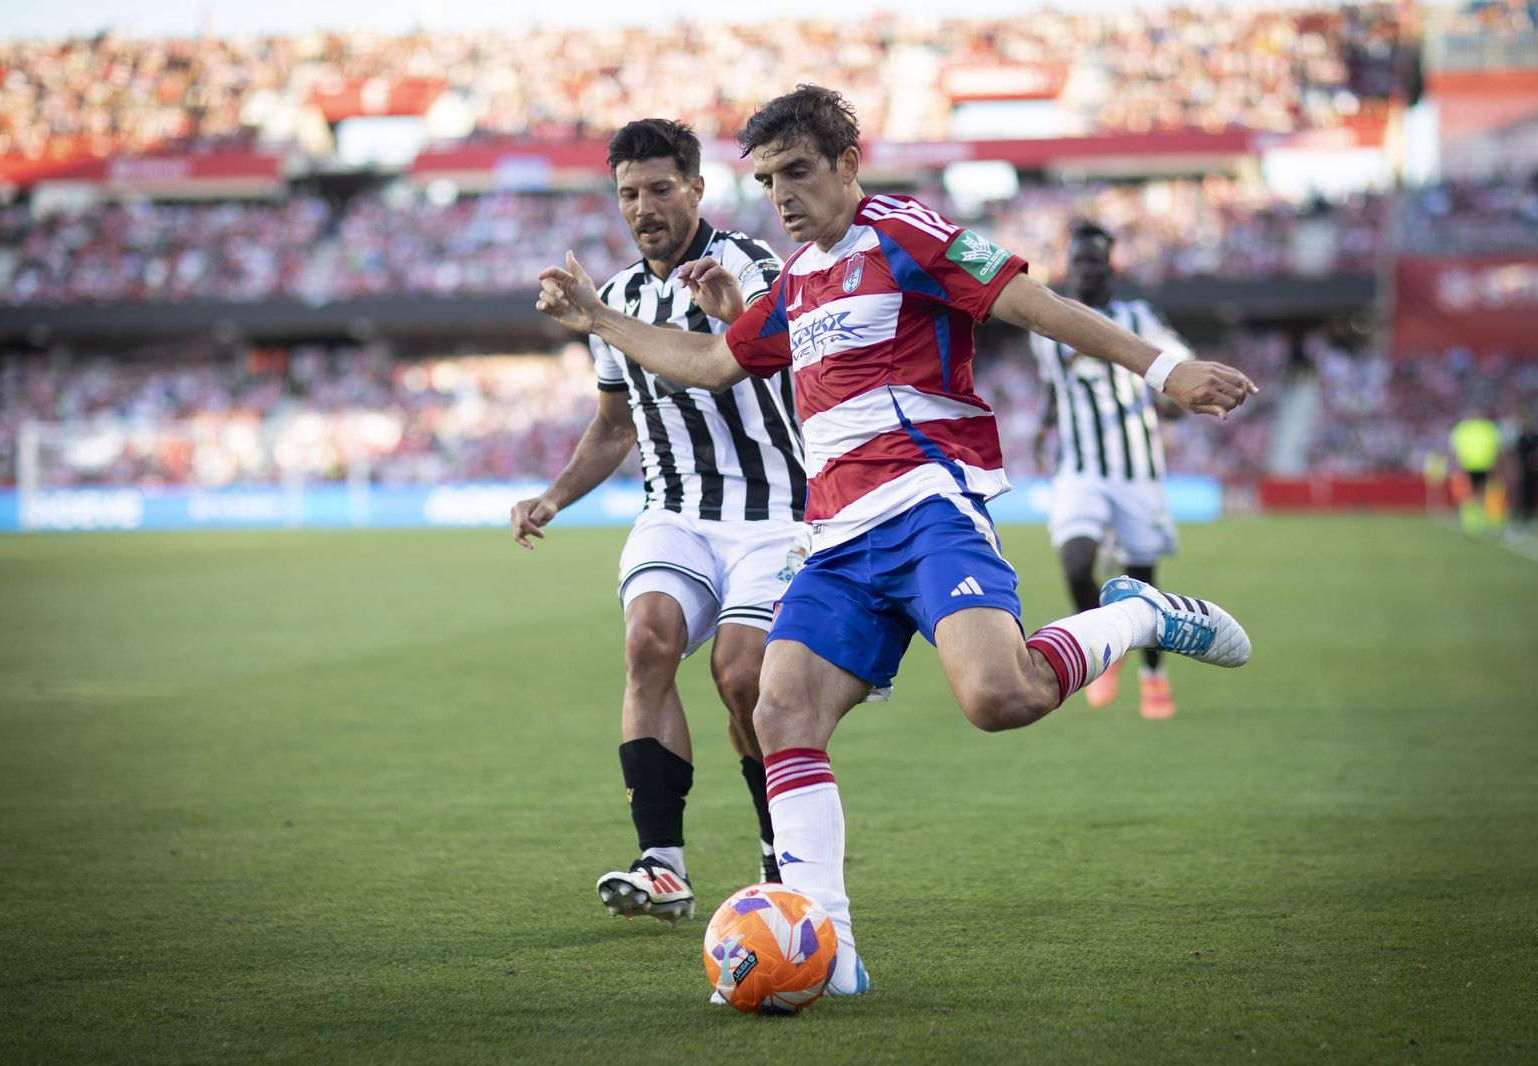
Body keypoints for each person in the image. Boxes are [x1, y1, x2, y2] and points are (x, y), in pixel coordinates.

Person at [536, 86, 1257, 995]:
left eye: (799, 172)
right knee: (779, 710)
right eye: (768, 180)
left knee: (1000, 697)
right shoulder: (794, 279)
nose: (784, 196)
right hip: (835, 540)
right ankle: (825, 948)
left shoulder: (907, 232)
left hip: (929, 511)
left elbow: (1032, 304)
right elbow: (716, 366)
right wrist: (601, 320)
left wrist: (1167, 368)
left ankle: (1139, 615)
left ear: (848, 163)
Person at [510, 119, 808, 926]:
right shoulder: (617, 296)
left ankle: (782, 846)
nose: (644, 207)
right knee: (648, 640)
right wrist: (553, 496)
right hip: (675, 511)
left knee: (743, 676)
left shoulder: (750, 263)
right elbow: (615, 426)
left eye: (660, 189)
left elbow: (743, 369)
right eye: (629, 193)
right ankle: (663, 864)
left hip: (776, 515)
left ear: (697, 189)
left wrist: (737, 312)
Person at [1030, 221, 1193, 719]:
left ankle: (1152, 672)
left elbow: (1175, 359)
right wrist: (1044, 426)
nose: (1084, 270)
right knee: (1076, 563)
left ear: (1110, 267)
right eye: (1077, 261)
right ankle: (1103, 650)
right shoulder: (1048, 325)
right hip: (1079, 468)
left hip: (1135, 467)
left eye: (1094, 261)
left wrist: (1176, 398)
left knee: (1141, 580)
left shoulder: (1137, 317)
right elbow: (1057, 386)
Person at [1449, 410, 1501, 536]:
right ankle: (1473, 519)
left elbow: (1496, 446)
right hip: (1474, 465)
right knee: (1474, 492)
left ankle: (1474, 519)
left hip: (1478, 465)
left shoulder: (1466, 428)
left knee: (1477, 492)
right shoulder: (1485, 428)